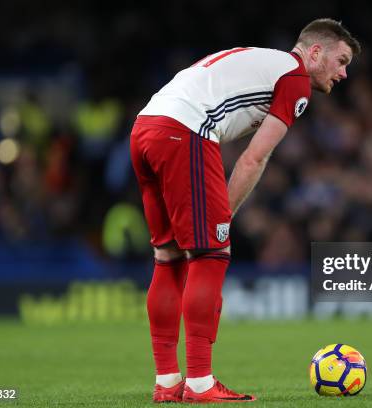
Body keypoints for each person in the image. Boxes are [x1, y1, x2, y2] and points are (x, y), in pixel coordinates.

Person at [130, 18, 360, 403]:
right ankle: (200, 384)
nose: (344, 72)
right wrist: (221, 222)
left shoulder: (263, 61)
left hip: (144, 127)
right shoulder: (294, 79)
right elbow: (254, 157)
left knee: (168, 257)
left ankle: (167, 381)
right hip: (182, 130)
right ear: (315, 52)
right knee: (211, 254)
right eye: (341, 60)